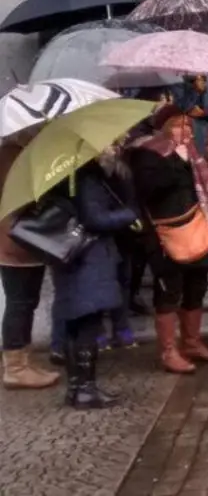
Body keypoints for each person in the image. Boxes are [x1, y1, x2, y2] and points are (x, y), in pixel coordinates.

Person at [128, 106, 208, 375]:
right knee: (169, 291)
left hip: (197, 229)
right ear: (164, 127)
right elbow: (148, 190)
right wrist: (176, 162)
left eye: (187, 126)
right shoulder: (148, 153)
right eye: (177, 126)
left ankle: (192, 342)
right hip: (166, 234)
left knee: (197, 287)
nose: (185, 131)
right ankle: (169, 351)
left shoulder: (194, 154)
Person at [53, 158, 140, 409]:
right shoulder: (87, 179)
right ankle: (86, 389)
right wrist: (130, 212)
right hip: (90, 257)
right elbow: (95, 219)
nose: (113, 150)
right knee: (88, 323)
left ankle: (76, 388)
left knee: (75, 323)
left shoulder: (62, 175)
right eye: (109, 146)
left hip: (69, 256)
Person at [0, 131, 60, 390]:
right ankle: (14, 367)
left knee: (27, 302)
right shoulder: (10, 156)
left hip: (27, 241)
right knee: (19, 303)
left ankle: (24, 360)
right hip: (16, 241)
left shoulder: (22, 153)